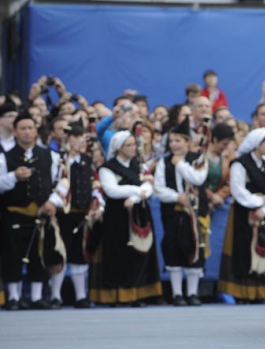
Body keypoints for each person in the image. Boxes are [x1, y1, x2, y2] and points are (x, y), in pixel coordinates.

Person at [90, 130, 162, 306]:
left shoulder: (139, 165)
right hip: (118, 216)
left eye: (133, 145)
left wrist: (136, 198)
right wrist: (137, 191)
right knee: (119, 254)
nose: (132, 148)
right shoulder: (108, 167)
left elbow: (149, 186)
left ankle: (137, 293)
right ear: (118, 147)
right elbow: (111, 190)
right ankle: (119, 295)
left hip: (138, 212)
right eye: (128, 145)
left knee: (139, 253)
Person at [0, 112, 60, 310]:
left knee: (39, 252)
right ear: (15, 132)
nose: (27, 132)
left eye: (30, 128)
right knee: (12, 253)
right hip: (14, 213)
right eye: (22, 129)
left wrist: (52, 202)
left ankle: (36, 296)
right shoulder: (4, 158)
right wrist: (13, 177)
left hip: (40, 213)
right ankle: (14, 296)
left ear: (36, 131)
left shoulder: (50, 156)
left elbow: (60, 183)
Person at [154, 117, 209, 306]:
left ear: (188, 142)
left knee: (194, 248)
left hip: (193, 213)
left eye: (178, 140)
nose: (174, 145)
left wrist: (180, 165)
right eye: (171, 141)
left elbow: (198, 178)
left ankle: (192, 293)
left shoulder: (197, 159)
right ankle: (177, 293)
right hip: (173, 212)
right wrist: (177, 197)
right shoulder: (164, 162)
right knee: (173, 248)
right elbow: (159, 188)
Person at [218, 128, 265, 304]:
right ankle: (242, 292)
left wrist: (264, 210)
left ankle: (261, 292)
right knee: (242, 249)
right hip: (242, 214)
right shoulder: (240, 163)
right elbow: (238, 191)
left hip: (261, 215)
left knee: (262, 248)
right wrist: (258, 203)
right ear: (256, 145)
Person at [50, 119, 103, 309]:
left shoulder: (88, 162)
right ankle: (56, 296)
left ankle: (81, 296)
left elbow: (96, 186)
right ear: (67, 138)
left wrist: (97, 206)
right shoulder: (58, 160)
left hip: (82, 215)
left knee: (81, 254)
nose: (79, 140)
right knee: (60, 253)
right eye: (74, 136)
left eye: (81, 136)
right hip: (63, 214)